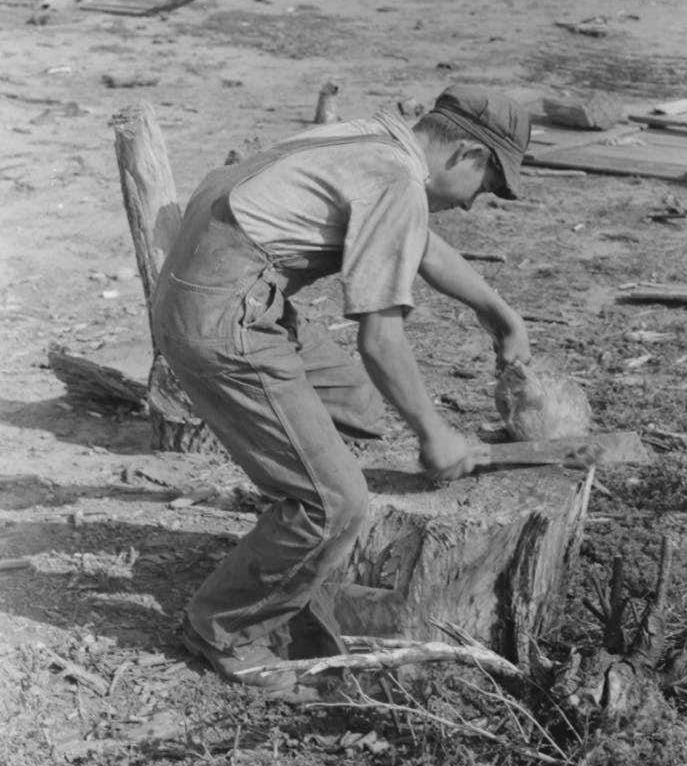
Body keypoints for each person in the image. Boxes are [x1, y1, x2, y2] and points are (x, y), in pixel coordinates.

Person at [151, 84, 532, 693]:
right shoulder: (396, 179)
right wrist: (436, 436)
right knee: (336, 504)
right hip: (222, 316)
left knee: (355, 406)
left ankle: (296, 523)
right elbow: (381, 341)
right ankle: (223, 627)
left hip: (222, 286)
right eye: (486, 189)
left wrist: (500, 313)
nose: (473, 206)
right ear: (468, 154)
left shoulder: (378, 140)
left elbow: (421, 242)